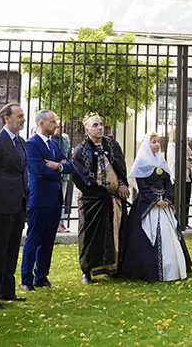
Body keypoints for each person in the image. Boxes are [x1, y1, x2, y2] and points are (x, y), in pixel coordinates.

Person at [119, 133, 192, 281]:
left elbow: (168, 184)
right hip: (147, 205)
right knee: (145, 237)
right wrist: (155, 200)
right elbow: (142, 187)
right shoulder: (141, 163)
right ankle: (148, 270)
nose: (157, 145)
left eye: (158, 142)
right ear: (147, 145)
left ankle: (172, 269)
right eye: (153, 142)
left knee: (171, 234)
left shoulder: (161, 162)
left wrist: (167, 198)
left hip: (164, 205)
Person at [70, 113, 129, 284]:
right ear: (87, 128)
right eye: (95, 125)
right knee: (90, 234)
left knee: (114, 231)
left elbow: (121, 166)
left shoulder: (111, 144)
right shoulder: (80, 150)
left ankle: (113, 266)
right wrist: (99, 191)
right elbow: (80, 177)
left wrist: (123, 184)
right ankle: (87, 270)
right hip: (92, 200)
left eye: (101, 124)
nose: (100, 128)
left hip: (113, 198)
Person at [0, 102, 29, 309]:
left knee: (11, 248)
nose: (23, 119)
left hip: (18, 202)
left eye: (23, 116)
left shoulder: (21, 142)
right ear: (6, 119)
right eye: (19, 116)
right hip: (1, 203)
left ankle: (7, 291)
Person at [21, 110, 74, 290]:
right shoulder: (31, 144)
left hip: (55, 198)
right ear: (41, 123)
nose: (56, 125)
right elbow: (39, 170)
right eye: (52, 122)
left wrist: (58, 166)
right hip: (39, 198)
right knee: (34, 238)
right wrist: (59, 169)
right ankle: (26, 278)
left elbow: (69, 166)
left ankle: (42, 276)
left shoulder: (54, 144)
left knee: (49, 240)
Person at [52, 125, 74, 233]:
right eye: (58, 126)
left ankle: (60, 223)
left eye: (63, 127)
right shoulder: (51, 140)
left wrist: (65, 164)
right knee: (53, 199)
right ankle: (53, 223)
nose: (61, 128)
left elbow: (68, 158)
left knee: (62, 199)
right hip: (53, 174)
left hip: (64, 174)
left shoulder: (65, 140)